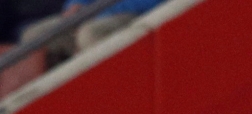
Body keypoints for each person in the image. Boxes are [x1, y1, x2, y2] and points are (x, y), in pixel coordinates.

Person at [20, 0, 164, 67]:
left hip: (136, 15)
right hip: (92, 13)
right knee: (33, 35)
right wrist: (74, 6)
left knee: (89, 34)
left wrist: (97, 14)